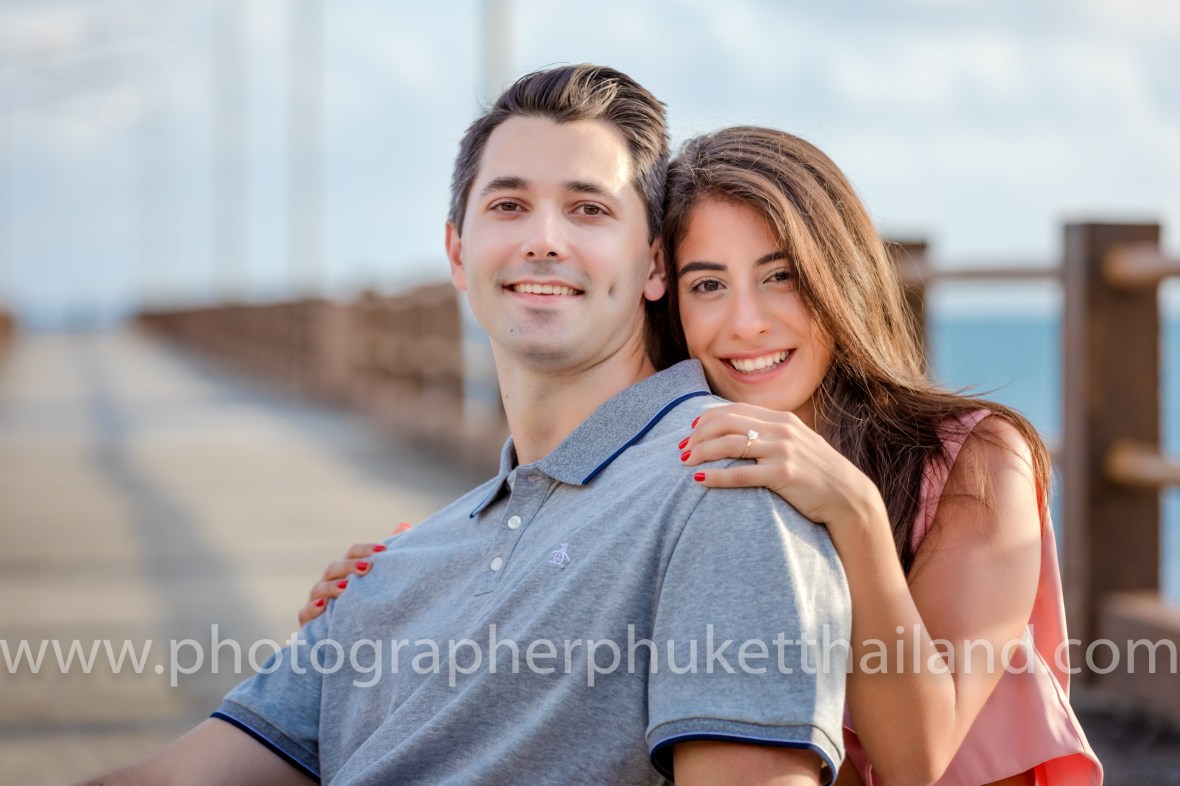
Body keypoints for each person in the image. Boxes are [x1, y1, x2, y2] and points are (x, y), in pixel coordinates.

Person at [82, 66, 850, 786]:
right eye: (508, 205)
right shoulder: (394, 568)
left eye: (588, 209)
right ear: (457, 252)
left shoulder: (721, 484)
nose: (543, 239)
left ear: (654, 266)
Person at [305, 126, 1102, 785]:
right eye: (709, 285)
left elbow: (917, 759)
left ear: (840, 277)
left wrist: (856, 514)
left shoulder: (974, 459)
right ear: (667, 293)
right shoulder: (684, 470)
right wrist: (403, 593)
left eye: (781, 277)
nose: (746, 323)